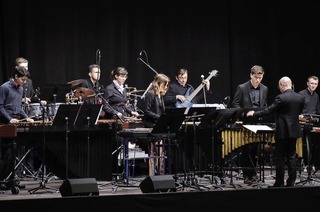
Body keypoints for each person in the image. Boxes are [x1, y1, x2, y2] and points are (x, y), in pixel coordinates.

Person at [247, 76, 304, 187]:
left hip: (283, 132)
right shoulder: (300, 97)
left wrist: (254, 113)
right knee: (292, 157)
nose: (279, 88)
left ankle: (279, 183)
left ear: (282, 85)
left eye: (279, 86)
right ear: (291, 84)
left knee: (280, 158)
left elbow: (269, 110)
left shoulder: (281, 98)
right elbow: (298, 113)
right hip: (294, 131)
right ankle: (291, 182)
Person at [232, 65, 268, 184]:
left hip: (258, 122)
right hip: (245, 123)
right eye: (256, 77)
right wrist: (244, 114)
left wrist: (262, 113)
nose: (258, 80)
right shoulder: (242, 88)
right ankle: (248, 175)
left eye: (260, 77)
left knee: (255, 150)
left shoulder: (264, 89)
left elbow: (265, 105)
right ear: (251, 75)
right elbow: (235, 104)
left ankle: (253, 174)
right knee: (246, 150)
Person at [0, 66, 34, 181]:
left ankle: (12, 180)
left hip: (15, 122)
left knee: (15, 153)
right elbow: (0, 107)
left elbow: (19, 108)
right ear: (16, 76)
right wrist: (9, 119)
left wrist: (26, 118)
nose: (25, 82)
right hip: (4, 123)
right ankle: (3, 180)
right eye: (23, 80)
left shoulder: (20, 89)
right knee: (6, 154)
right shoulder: (4, 88)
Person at [142, 73, 170, 176]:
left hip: (159, 126)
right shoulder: (151, 94)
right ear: (158, 83)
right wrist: (160, 118)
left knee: (161, 153)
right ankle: (152, 176)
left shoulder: (160, 95)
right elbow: (147, 111)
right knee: (152, 153)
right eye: (164, 84)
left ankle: (160, 174)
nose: (166, 87)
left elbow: (161, 111)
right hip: (151, 127)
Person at [297, 75, 320, 173]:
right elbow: (297, 111)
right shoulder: (301, 94)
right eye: (312, 83)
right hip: (303, 123)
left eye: (315, 84)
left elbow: (318, 111)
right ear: (307, 83)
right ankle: (306, 163)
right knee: (306, 144)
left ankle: (313, 164)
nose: (313, 85)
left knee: (315, 144)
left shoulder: (316, 96)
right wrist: (300, 117)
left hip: (313, 123)